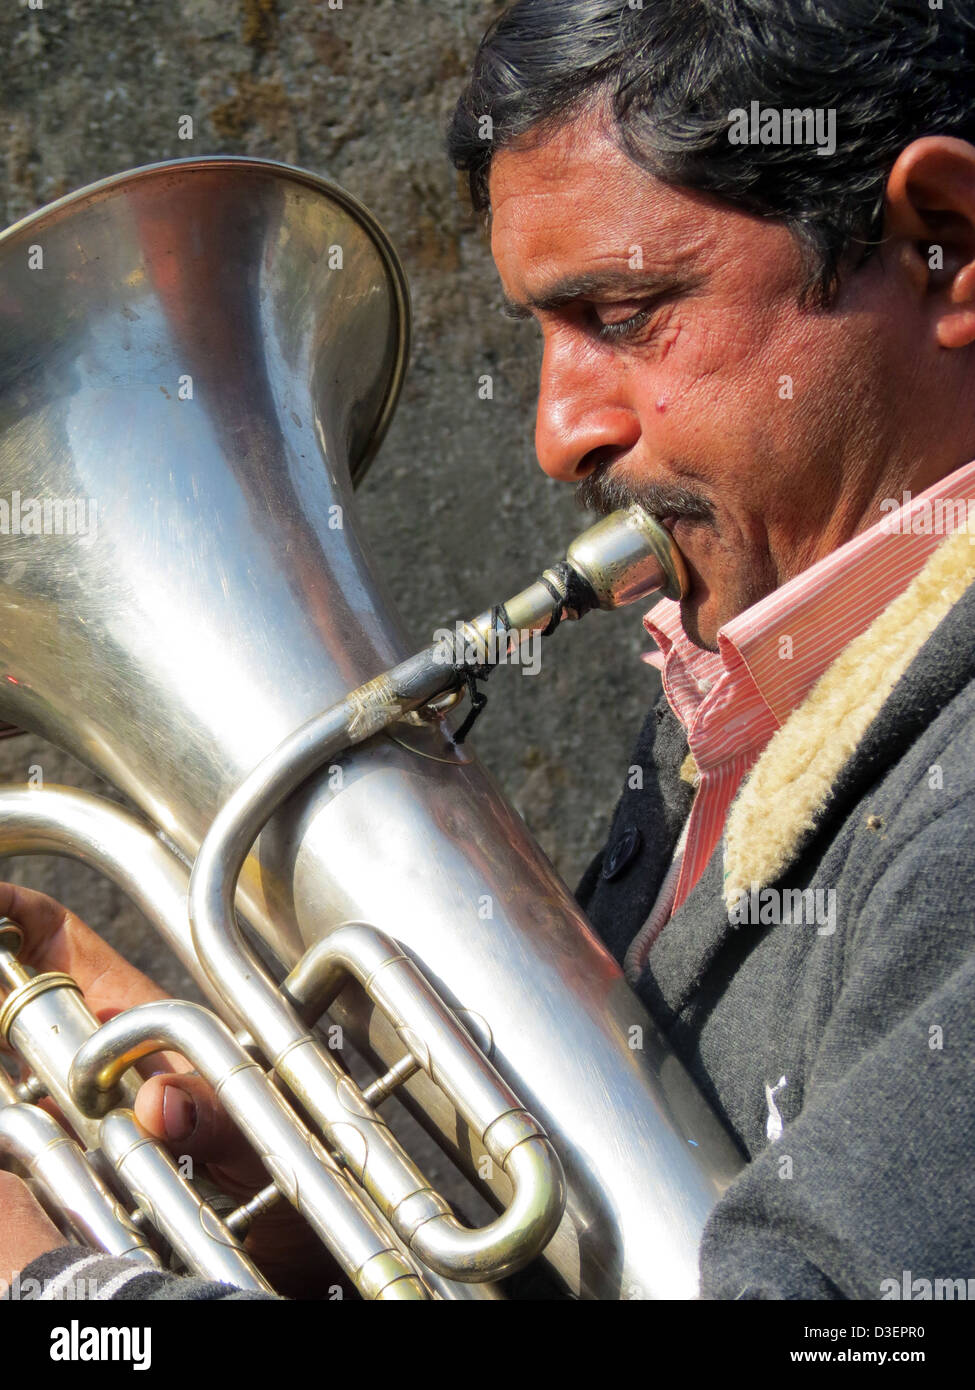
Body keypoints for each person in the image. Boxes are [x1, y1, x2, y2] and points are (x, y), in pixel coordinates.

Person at [4, 0, 975, 1299]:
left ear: (944, 247)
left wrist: (76, 1299)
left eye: (626, 312)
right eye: (540, 330)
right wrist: (315, 1193)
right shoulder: (744, 702)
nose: (557, 431)